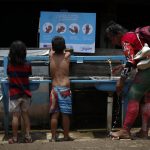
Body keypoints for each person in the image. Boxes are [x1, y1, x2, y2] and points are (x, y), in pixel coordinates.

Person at [105, 21, 150, 139]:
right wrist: (122, 66)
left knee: (133, 96)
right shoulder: (135, 35)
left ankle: (125, 130)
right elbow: (139, 58)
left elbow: (130, 61)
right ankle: (144, 131)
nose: (113, 42)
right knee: (146, 100)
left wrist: (121, 80)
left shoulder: (125, 39)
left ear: (117, 34)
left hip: (147, 71)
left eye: (112, 38)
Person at [49, 36, 73, 142]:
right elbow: (70, 50)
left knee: (54, 114)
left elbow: (51, 50)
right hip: (65, 89)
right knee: (65, 114)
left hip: (54, 89)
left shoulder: (51, 56)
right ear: (64, 46)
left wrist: (53, 48)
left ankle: (53, 137)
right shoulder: (67, 56)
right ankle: (66, 136)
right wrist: (65, 48)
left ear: (53, 47)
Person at [7, 40, 32, 143]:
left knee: (15, 116)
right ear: (24, 52)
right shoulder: (28, 64)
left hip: (14, 94)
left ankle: (14, 138)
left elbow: (9, 78)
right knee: (25, 115)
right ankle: (28, 137)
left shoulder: (10, 65)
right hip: (25, 93)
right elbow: (29, 75)